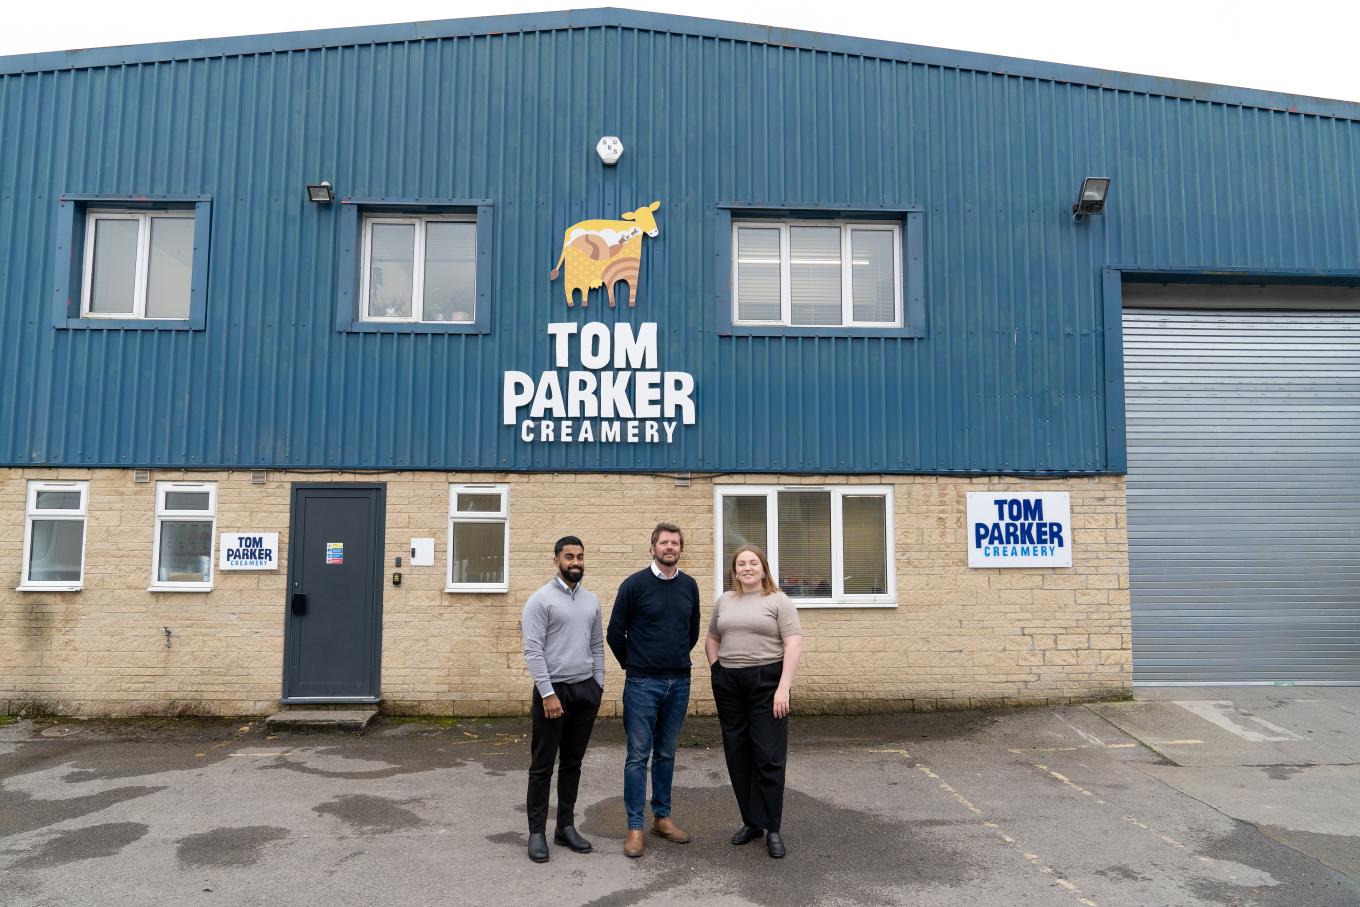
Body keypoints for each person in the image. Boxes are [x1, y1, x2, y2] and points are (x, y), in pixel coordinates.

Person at [606, 522, 701, 858]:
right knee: (637, 756)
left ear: (681, 549)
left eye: (675, 542)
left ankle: (662, 818)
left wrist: (673, 660)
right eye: (664, 542)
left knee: (666, 753)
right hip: (642, 684)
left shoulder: (689, 586)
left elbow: (691, 632)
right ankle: (635, 826)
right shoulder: (634, 585)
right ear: (653, 548)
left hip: (679, 682)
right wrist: (636, 664)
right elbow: (615, 634)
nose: (669, 547)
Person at [705, 544, 803, 859]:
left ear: (763, 569)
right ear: (734, 571)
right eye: (741, 564)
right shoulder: (724, 601)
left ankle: (772, 827)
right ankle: (751, 822)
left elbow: (793, 644)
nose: (747, 568)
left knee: (768, 756)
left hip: (767, 684)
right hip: (730, 684)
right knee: (738, 753)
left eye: (752, 563)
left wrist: (783, 688)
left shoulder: (778, 600)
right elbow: (712, 638)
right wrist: (716, 670)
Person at [521, 535, 605, 863]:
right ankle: (536, 833)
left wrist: (598, 686)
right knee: (543, 766)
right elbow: (533, 650)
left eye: (580, 556)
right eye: (569, 556)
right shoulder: (540, 600)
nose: (576, 562)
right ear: (556, 560)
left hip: (584, 691)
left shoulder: (591, 601)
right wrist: (548, 693)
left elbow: (596, 645)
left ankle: (565, 827)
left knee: (573, 763)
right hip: (552, 695)